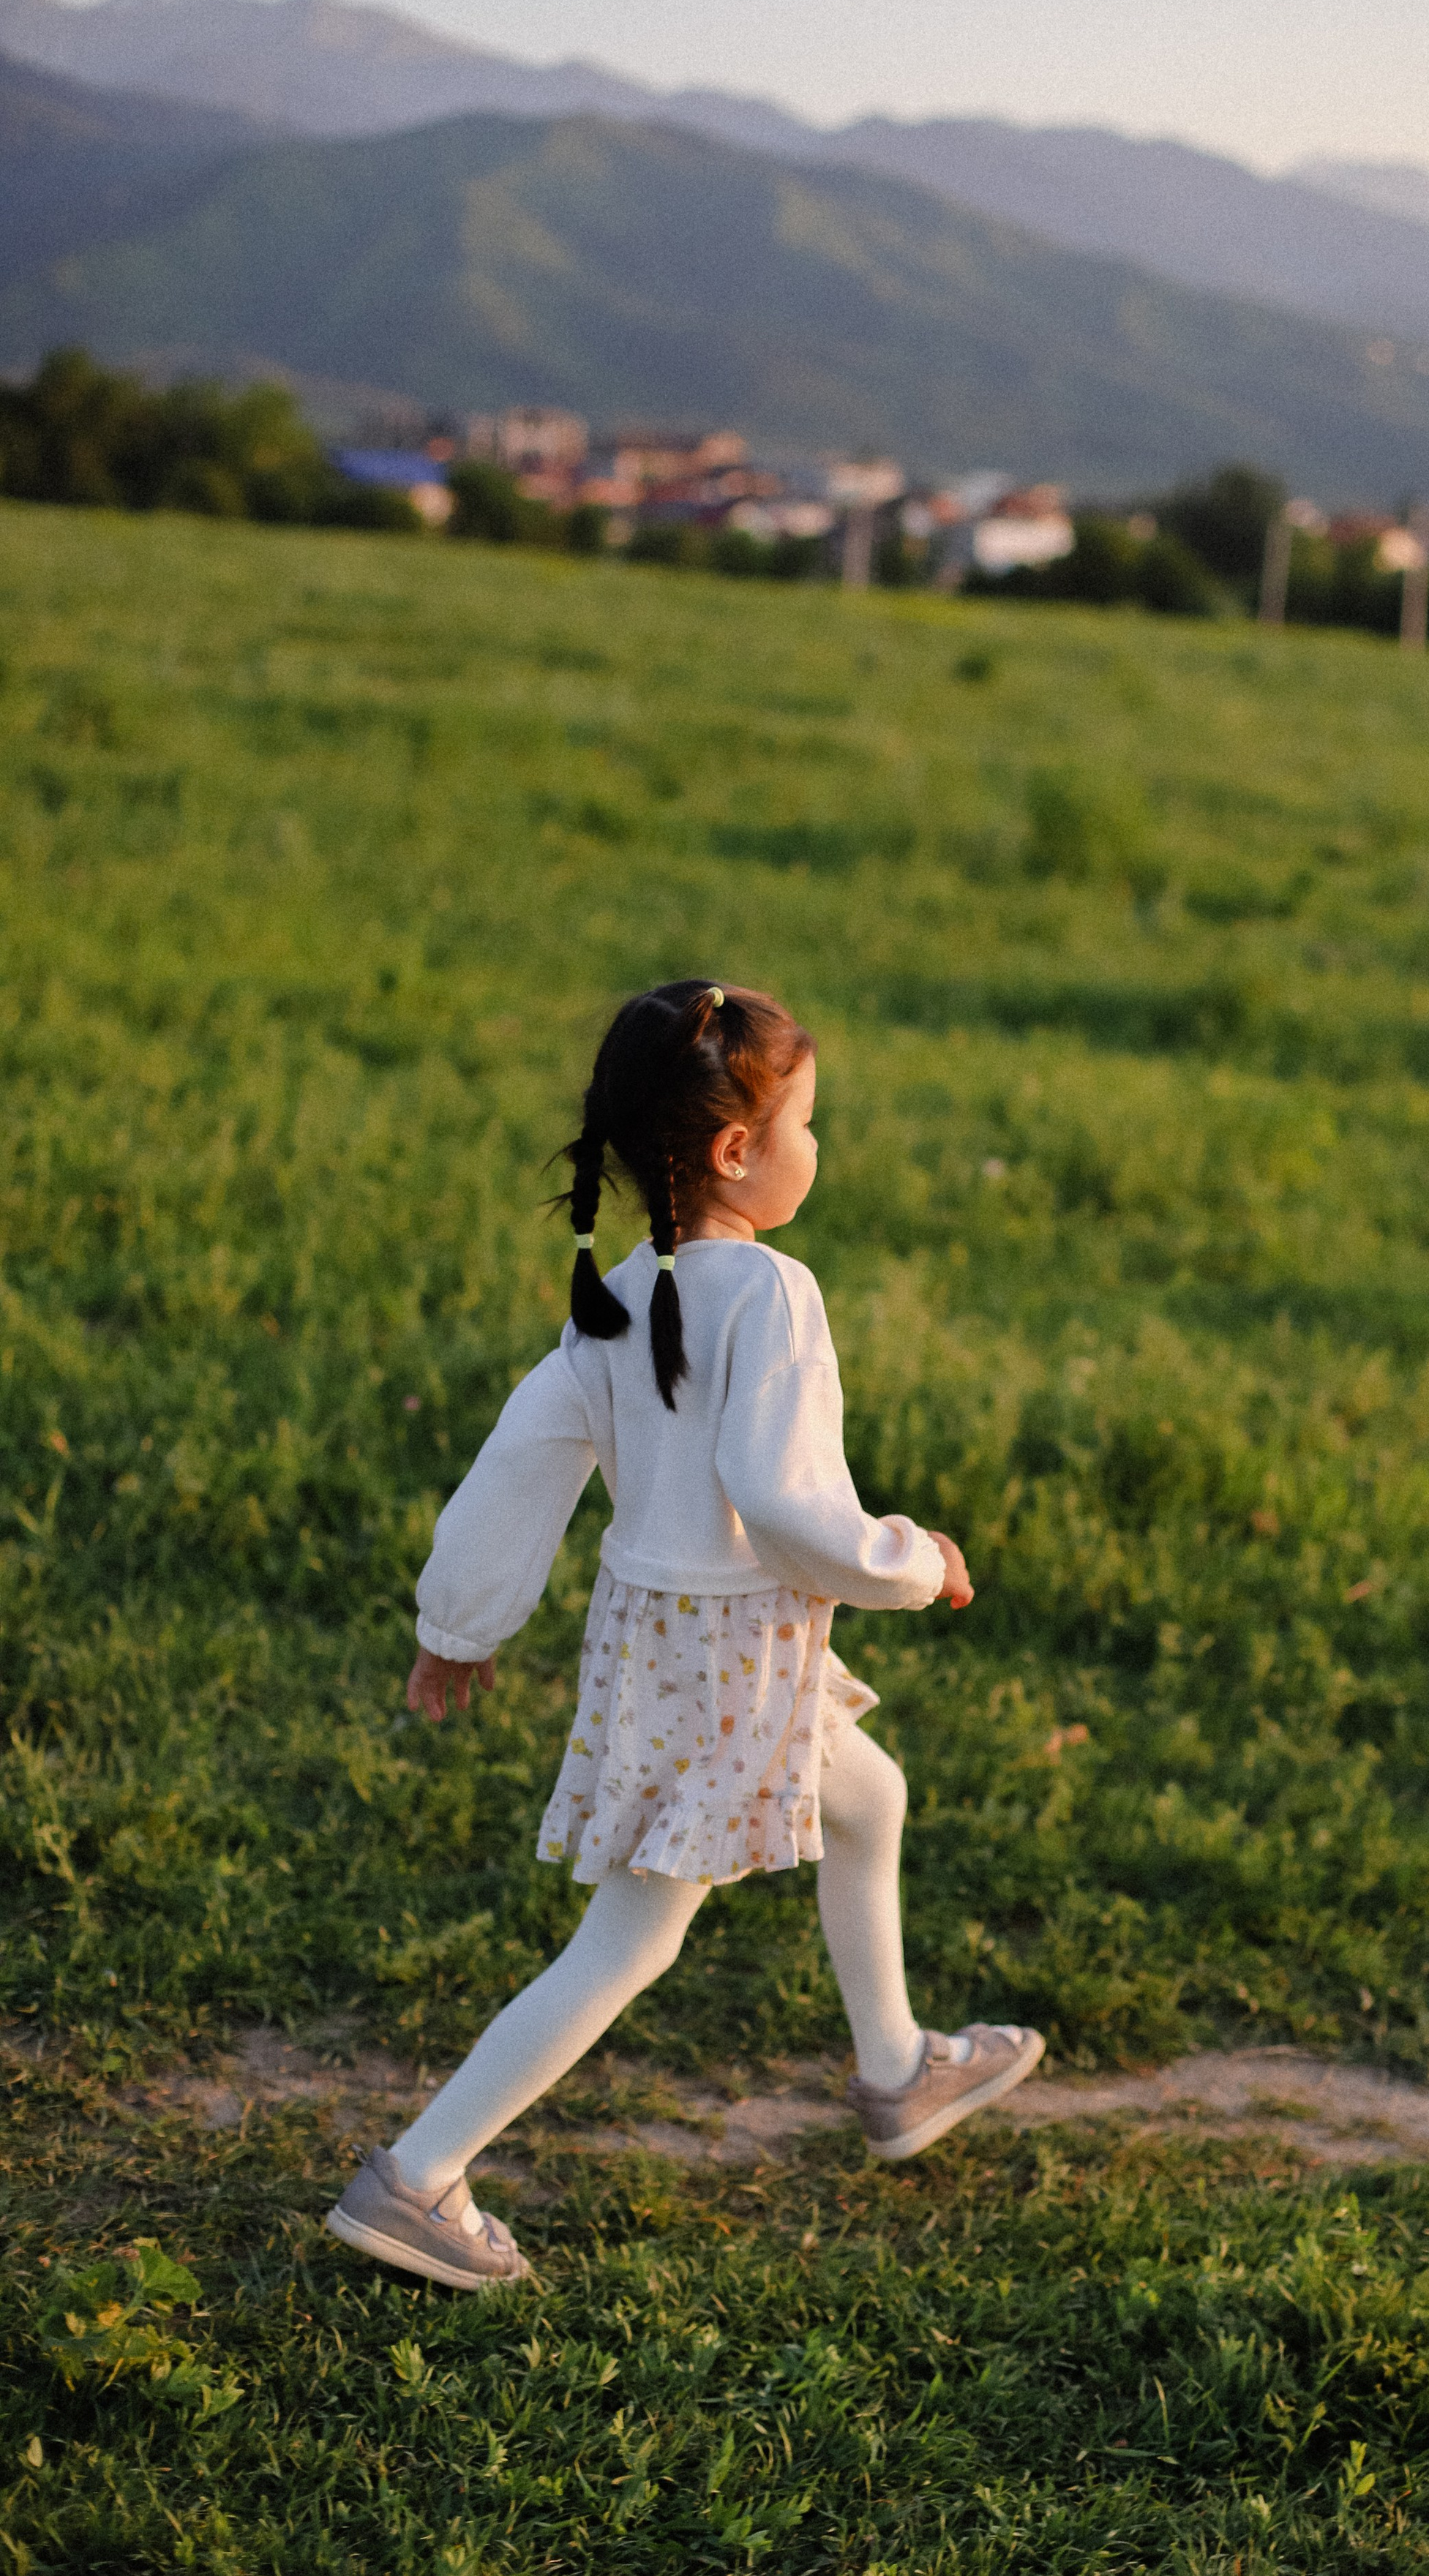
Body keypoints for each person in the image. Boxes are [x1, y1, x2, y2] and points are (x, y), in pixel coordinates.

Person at [326, 978, 1043, 2290]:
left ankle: (898, 2071)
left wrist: (459, 1624)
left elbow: (517, 1466)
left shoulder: (615, 1300)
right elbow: (785, 1504)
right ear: (734, 1151)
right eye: (809, 1124)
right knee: (632, 1940)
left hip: (658, 1645)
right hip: (738, 1656)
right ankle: (418, 2178)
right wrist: (910, 1560)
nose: (819, 1149)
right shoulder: (769, 1295)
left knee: (870, 1797)